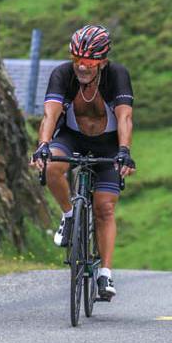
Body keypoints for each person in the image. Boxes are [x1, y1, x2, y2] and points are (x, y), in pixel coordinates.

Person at [31, 24, 135, 301]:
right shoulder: (63, 74)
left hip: (108, 143)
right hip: (72, 137)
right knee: (52, 165)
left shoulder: (117, 76)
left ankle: (106, 272)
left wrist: (124, 150)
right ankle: (69, 215)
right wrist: (42, 145)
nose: (82, 67)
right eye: (77, 60)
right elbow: (49, 115)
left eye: (88, 62)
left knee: (104, 208)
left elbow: (124, 117)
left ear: (101, 61)